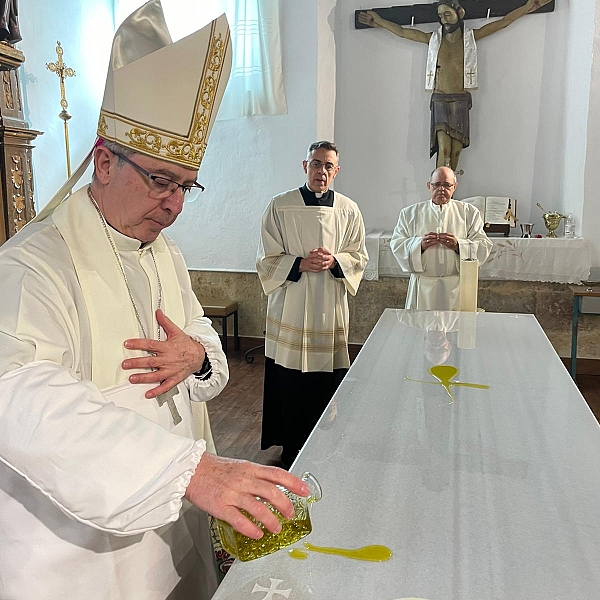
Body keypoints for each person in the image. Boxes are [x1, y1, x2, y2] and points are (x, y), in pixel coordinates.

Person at [0, 5, 308, 600]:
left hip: (176, 530)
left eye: (185, 185)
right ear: (105, 161)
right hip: (79, 557)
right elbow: (18, 396)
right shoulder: (32, 266)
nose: (174, 205)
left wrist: (195, 356)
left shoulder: (162, 252)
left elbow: (204, 347)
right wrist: (191, 471)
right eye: (160, 181)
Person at [257, 141, 367, 468]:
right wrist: (299, 264)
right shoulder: (280, 206)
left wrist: (335, 261)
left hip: (328, 307)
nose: (321, 171)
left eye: (328, 166)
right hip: (291, 303)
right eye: (316, 164)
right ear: (304, 165)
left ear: (337, 171)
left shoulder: (349, 210)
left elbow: (359, 256)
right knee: (290, 376)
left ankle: (327, 444)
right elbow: (265, 257)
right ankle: (291, 446)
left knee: (325, 377)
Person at [358, 0, 552, 170]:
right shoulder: (433, 40)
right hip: (440, 98)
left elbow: (502, 23)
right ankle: (439, 189)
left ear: (460, 14)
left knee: (456, 151)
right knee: (444, 147)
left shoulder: (470, 38)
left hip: (460, 98)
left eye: (447, 14)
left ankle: (450, 190)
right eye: (441, 16)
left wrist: (528, 7)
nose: (444, 19)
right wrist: (379, 21)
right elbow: (402, 32)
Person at [390, 166, 492, 310]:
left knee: (455, 330)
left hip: (456, 286)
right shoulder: (410, 213)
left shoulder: (469, 212)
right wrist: (419, 245)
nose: (441, 189)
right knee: (421, 330)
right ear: (428, 186)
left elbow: (483, 245)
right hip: (423, 287)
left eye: (446, 185)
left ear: (454, 187)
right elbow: (397, 244)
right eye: (436, 184)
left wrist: (459, 246)